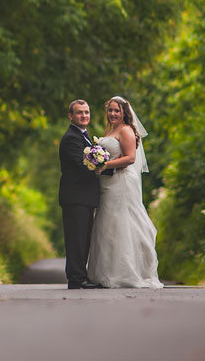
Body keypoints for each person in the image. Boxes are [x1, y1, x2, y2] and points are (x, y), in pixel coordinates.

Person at [87, 96, 163, 289]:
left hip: (122, 181)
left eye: (117, 111)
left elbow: (130, 158)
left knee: (122, 222)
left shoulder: (127, 130)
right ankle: (105, 271)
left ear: (124, 113)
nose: (113, 113)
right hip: (108, 182)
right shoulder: (111, 130)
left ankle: (126, 272)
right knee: (107, 222)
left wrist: (104, 164)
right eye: (110, 110)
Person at [58, 99, 104, 289]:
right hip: (75, 196)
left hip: (84, 197)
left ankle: (80, 276)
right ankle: (76, 278)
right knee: (76, 239)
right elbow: (84, 165)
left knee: (83, 238)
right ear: (71, 116)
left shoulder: (84, 136)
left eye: (86, 112)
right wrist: (107, 167)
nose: (84, 116)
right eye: (79, 113)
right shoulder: (71, 138)